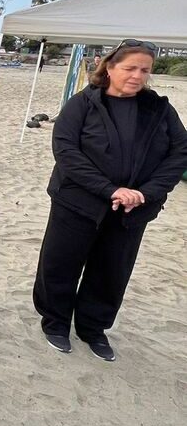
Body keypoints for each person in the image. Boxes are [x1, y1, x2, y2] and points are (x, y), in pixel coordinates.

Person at [33, 40, 187, 361]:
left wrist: (147, 193)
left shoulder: (159, 110)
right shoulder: (82, 104)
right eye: (130, 68)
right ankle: (56, 322)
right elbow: (66, 152)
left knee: (112, 270)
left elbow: (179, 153)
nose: (137, 76)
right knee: (61, 263)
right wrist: (109, 189)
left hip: (134, 209)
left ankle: (93, 328)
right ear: (110, 66)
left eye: (145, 70)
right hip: (77, 202)